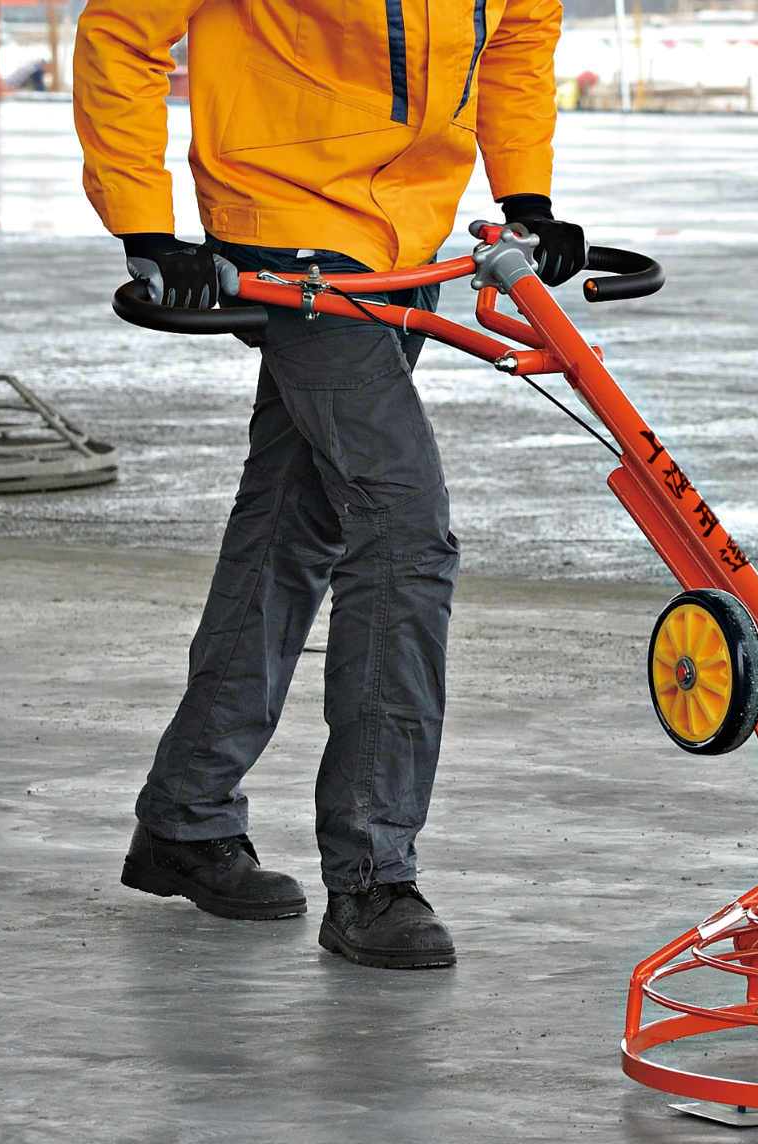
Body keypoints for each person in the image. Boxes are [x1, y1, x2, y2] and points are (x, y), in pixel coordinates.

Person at [73, 0, 585, 969]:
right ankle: (372, 875)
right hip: (290, 231)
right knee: (402, 528)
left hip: (406, 241)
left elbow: (519, 33)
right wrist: (145, 222)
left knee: (294, 521)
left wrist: (528, 198)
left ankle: (187, 814)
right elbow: (121, 32)